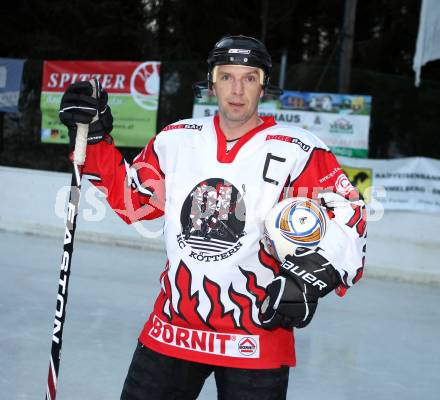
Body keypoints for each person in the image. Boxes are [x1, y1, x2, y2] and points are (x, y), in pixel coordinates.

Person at [59, 35, 367, 400]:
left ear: (264, 84)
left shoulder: (299, 149)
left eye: (249, 77)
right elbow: (134, 202)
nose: (237, 89)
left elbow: (349, 214)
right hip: (174, 332)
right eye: (227, 76)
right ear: (211, 82)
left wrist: (309, 279)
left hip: (255, 339)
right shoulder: (176, 139)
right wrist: (93, 140)